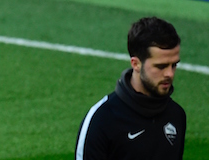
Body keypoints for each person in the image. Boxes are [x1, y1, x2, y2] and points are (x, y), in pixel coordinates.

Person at [75, 17, 185, 160]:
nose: (169, 74)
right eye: (161, 66)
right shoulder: (101, 120)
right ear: (136, 64)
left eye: (174, 65)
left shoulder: (176, 115)